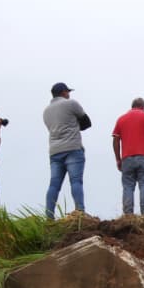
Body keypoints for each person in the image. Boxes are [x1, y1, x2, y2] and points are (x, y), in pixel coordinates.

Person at [42, 81, 92, 218]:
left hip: (54, 151)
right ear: (64, 92)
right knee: (76, 181)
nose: (69, 94)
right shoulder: (71, 104)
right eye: (68, 92)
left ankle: (49, 215)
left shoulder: (46, 111)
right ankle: (79, 211)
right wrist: (75, 124)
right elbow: (87, 122)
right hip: (72, 148)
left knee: (54, 184)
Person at [111, 97, 144, 215]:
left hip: (127, 158)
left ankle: (128, 215)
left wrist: (118, 159)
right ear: (143, 107)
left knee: (128, 186)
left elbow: (115, 140)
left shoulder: (121, 119)